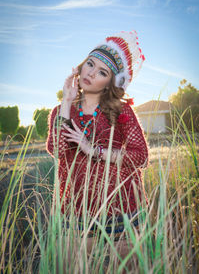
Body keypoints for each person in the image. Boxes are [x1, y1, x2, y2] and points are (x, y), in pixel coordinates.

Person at [46, 30, 149, 265]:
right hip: (75, 215)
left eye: (102, 72)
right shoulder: (62, 111)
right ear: (81, 66)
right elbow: (58, 151)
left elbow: (141, 157)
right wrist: (66, 102)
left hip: (121, 213)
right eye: (90, 64)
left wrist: (93, 150)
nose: (91, 72)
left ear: (110, 82)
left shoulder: (121, 112)